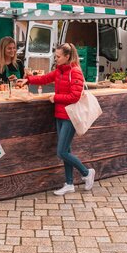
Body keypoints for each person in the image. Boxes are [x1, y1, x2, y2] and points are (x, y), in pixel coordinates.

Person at [18, 43, 95, 195]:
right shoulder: (59, 71)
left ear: (67, 57)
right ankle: (69, 183)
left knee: (61, 152)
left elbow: (75, 96)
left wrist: (56, 97)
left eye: (58, 57)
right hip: (59, 115)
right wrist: (29, 80)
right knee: (66, 150)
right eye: (55, 56)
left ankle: (87, 173)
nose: (56, 59)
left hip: (70, 117)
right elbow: (45, 78)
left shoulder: (76, 72)